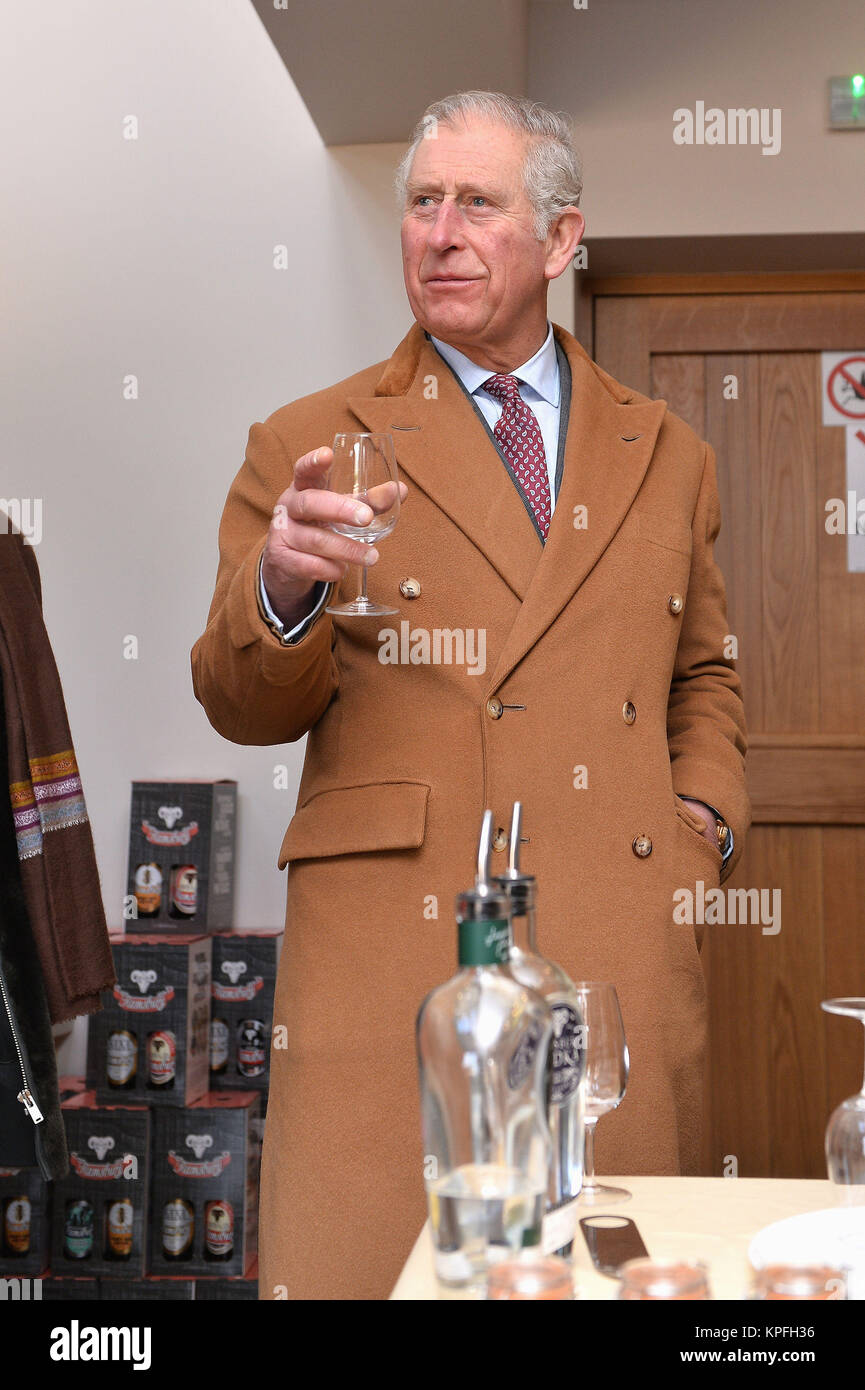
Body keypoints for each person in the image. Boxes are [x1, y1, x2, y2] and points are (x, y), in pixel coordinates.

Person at [191, 90, 749, 1301]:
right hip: (396, 946)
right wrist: (282, 582)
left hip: (613, 922)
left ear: (559, 241)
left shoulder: (665, 453)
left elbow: (702, 670)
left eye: (477, 203)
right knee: (376, 1266)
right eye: (421, 203)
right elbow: (238, 700)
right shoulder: (311, 439)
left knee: (615, 1268)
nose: (438, 231)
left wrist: (698, 825)